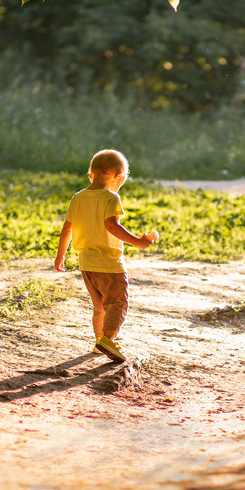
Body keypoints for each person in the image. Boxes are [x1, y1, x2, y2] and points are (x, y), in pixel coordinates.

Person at [53, 149, 158, 362]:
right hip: (109, 263)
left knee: (99, 305)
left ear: (90, 175)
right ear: (119, 177)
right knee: (118, 303)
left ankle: (99, 342)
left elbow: (67, 230)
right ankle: (107, 339)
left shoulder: (78, 198)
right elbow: (111, 225)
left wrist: (60, 256)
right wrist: (138, 241)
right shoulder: (111, 197)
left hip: (86, 263)